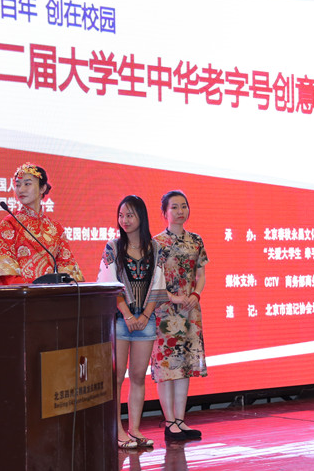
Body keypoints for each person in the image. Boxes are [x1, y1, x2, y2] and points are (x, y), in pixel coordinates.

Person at [98, 195, 168, 450]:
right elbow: (108, 284)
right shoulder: (113, 247)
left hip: (145, 321)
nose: (124, 220)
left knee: (138, 376)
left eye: (129, 215)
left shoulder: (156, 248)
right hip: (119, 320)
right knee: (117, 377)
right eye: (121, 215)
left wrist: (145, 316)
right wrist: (128, 315)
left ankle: (135, 429)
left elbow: (159, 285)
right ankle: (117, 430)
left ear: (141, 217)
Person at [151, 190, 208, 441]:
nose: (180, 211)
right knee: (167, 367)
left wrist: (195, 294)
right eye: (174, 207)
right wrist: (173, 298)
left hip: (189, 311)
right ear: (164, 212)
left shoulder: (196, 240)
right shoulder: (156, 243)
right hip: (165, 310)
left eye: (183, 206)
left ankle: (181, 420)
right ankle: (170, 422)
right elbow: (153, 280)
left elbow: (201, 274)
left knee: (184, 366)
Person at [0, 162, 83, 285]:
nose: (21, 190)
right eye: (17, 185)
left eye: (27, 184)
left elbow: (67, 265)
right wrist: (30, 290)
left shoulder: (55, 228)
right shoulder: (10, 224)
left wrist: (60, 287)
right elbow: (5, 270)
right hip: (24, 293)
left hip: (53, 294)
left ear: (42, 188)